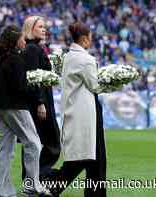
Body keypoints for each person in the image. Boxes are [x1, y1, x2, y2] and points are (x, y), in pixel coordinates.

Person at [0, 25, 52, 197]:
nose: (24, 41)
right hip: (16, 107)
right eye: (22, 39)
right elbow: (20, 86)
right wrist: (35, 85)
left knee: (5, 149)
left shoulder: (0, 59)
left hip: (1, 107)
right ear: (15, 41)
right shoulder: (16, 60)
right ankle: (33, 185)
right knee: (33, 144)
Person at [50, 22, 108, 197]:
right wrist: (114, 81)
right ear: (84, 38)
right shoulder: (86, 60)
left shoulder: (68, 57)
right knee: (84, 159)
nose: (91, 40)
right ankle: (51, 187)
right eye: (90, 37)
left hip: (75, 110)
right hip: (87, 114)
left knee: (93, 158)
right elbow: (96, 86)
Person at [21, 15, 61, 180]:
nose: (44, 29)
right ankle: (39, 175)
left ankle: (32, 178)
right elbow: (33, 77)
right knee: (51, 142)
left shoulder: (35, 48)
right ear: (30, 29)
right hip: (40, 102)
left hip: (42, 100)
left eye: (45, 27)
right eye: (40, 27)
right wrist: (40, 103)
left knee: (36, 142)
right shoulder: (32, 49)